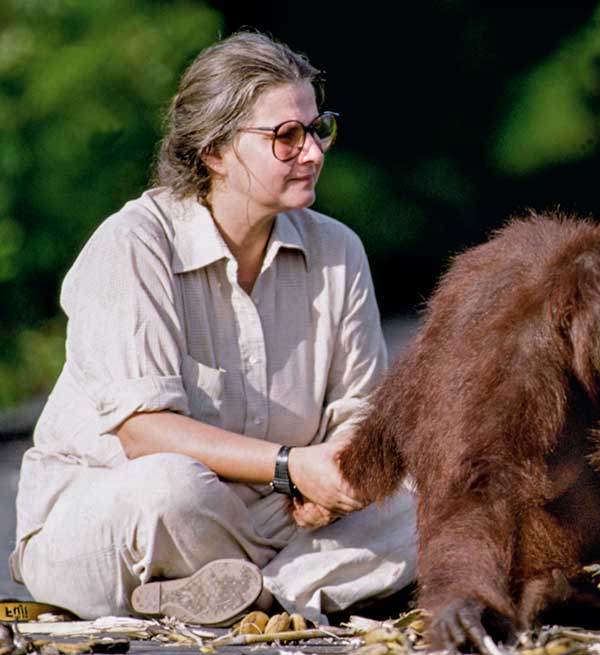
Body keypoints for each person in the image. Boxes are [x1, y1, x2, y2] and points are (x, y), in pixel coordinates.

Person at [9, 31, 417, 625]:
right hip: (122, 513)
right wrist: (292, 467)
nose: (312, 153)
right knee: (170, 487)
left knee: (425, 496)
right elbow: (144, 433)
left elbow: (362, 411)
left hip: (280, 517)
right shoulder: (133, 244)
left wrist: (338, 480)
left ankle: (251, 596)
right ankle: (295, 589)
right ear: (214, 151)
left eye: (318, 128)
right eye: (286, 136)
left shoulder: (339, 251)